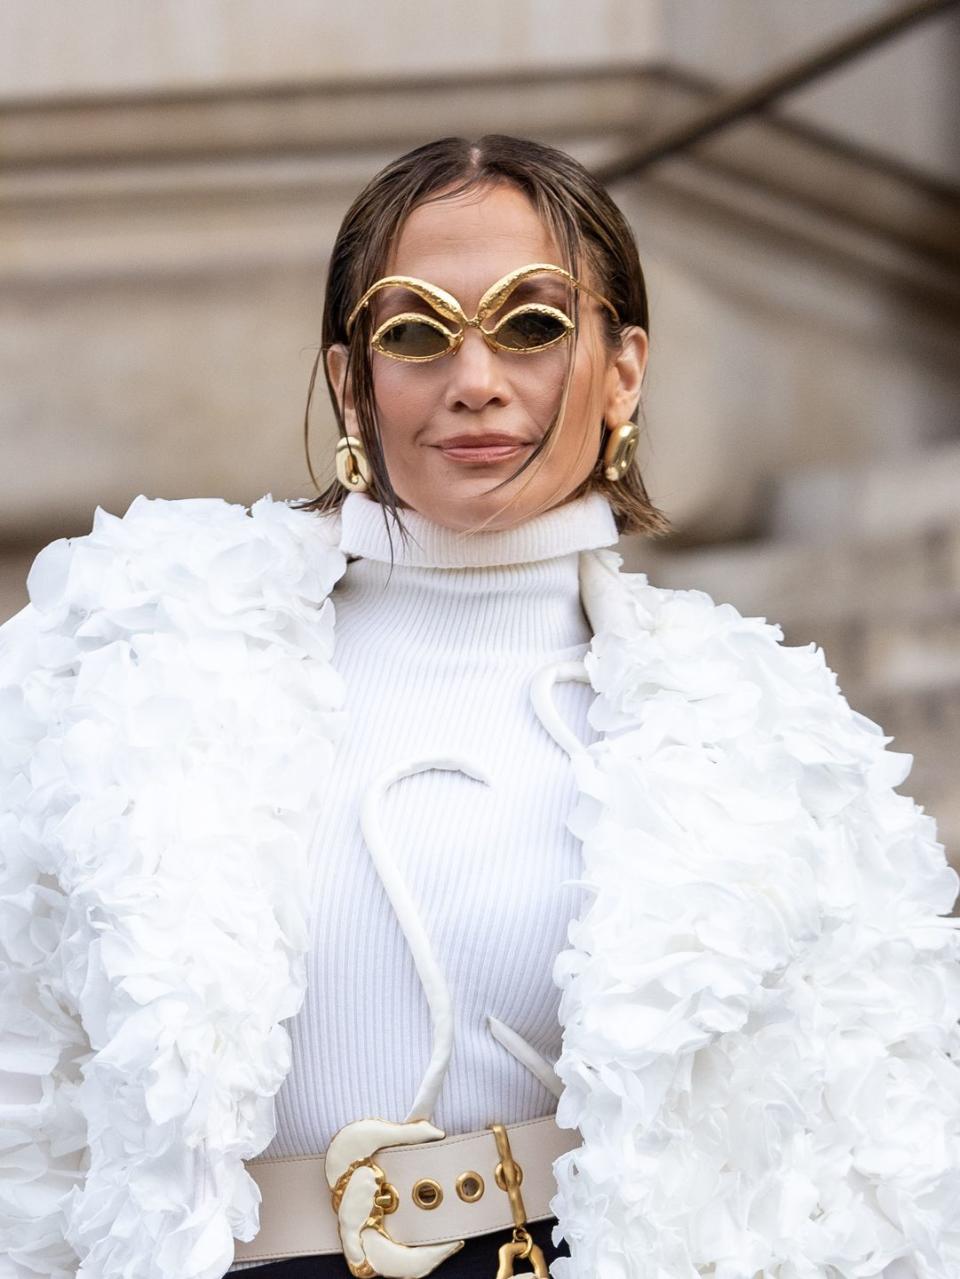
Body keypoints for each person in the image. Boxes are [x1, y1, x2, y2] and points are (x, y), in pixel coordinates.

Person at [1, 134, 958, 1279]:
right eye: (415, 331)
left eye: (533, 325)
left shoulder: (767, 733)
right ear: (353, 379)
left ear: (625, 367)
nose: (476, 379)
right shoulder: (134, 668)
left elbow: (864, 1163)